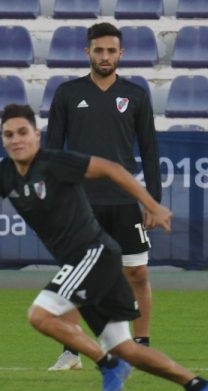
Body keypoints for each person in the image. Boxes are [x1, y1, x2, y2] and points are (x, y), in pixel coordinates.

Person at [0, 104, 208, 391]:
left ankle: (107, 364)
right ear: (2, 140)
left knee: (40, 316)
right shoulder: (5, 174)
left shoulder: (54, 163)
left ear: (36, 134)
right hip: (89, 262)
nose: (16, 139)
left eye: (22, 132)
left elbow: (112, 169)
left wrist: (152, 205)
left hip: (93, 254)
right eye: (8, 134)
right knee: (127, 348)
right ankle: (198, 386)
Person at [45, 22, 161, 371]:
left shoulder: (137, 95)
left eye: (112, 50)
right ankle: (71, 352)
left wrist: (152, 201)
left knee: (137, 274)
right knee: (76, 275)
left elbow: (150, 151)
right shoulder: (67, 93)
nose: (105, 56)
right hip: (80, 204)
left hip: (125, 202)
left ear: (121, 53)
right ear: (88, 53)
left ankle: (141, 347)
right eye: (99, 50)